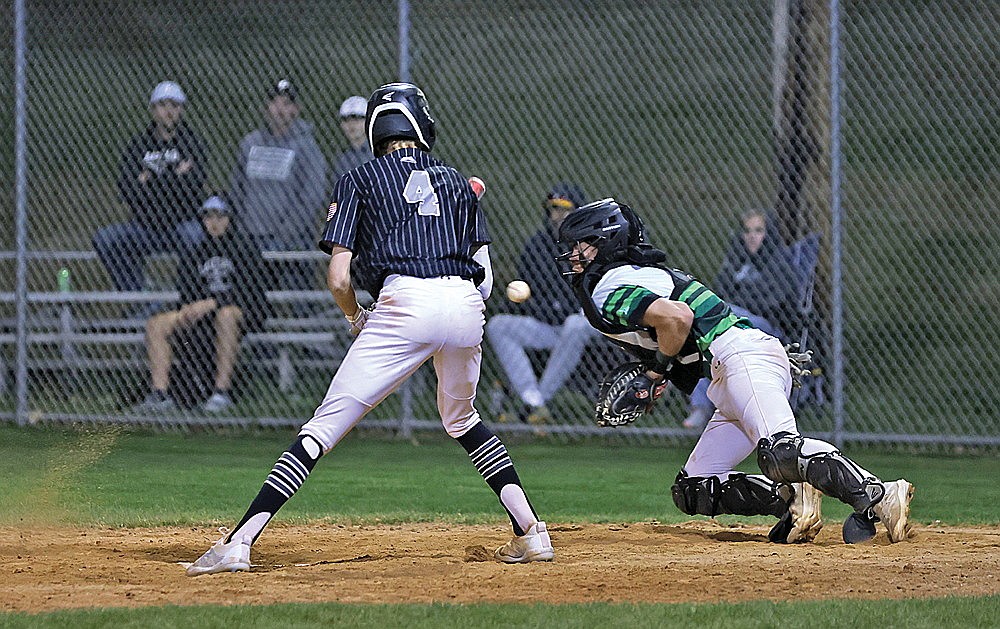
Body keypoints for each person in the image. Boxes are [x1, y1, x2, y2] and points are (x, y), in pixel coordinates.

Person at [186, 82, 553, 576]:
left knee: (323, 426)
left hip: (403, 302)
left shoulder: (360, 178)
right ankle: (532, 533)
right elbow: (484, 281)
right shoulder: (459, 183)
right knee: (462, 420)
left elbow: (339, 278)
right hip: (465, 305)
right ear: (422, 124)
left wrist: (357, 318)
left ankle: (240, 541)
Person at [557, 198, 914, 545]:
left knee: (781, 450)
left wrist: (656, 373)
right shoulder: (630, 275)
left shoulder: (608, 286)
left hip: (740, 357)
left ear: (608, 244)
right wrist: (661, 369)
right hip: (729, 371)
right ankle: (793, 499)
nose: (574, 255)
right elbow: (675, 329)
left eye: (583, 246)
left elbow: (677, 318)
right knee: (694, 488)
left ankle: (880, 493)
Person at [132, 195, 269, 414]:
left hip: (240, 312)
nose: (214, 222)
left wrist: (213, 302)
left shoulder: (245, 249)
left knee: (226, 315)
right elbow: (186, 290)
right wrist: (188, 308)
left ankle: (221, 392)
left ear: (230, 218)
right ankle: (160, 393)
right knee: (156, 324)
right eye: (208, 216)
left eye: (220, 216)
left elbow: (250, 292)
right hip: (202, 311)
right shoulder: (196, 252)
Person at [485, 183, 601, 423]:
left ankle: (538, 402)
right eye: (554, 209)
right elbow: (528, 295)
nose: (557, 215)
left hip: (584, 325)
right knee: (498, 325)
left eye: (565, 209)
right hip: (549, 325)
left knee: (575, 324)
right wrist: (539, 307)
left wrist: (559, 308)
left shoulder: (589, 245)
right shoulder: (537, 245)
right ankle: (533, 401)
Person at [684, 209, 798, 429]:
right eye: (747, 231)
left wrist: (741, 298)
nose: (752, 236)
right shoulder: (736, 262)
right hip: (730, 325)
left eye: (758, 230)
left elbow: (775, 301)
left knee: (717, 317)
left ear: (768, 234)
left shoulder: (779, 264)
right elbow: (718, 293)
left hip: (765, 327)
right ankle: (700, 406)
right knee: (701, 340)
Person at [92, 80, 207, 296]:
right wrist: (175, 177)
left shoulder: (193, 143)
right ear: (153, 110)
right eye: (163, 105)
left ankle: (184, 296)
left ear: (181, 109)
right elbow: (127, 190)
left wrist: (149, 180)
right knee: (105, 239)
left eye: (174, 106)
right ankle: (140, 297)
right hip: (144, 227)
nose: (169, 111)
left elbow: (193, 187)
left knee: (197, 237)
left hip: (181, 225)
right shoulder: (138, 145)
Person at [228, 78, 328, 292]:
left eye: (287, 104)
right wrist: (242, 227)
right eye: (275, 103)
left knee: (296, 294)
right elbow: (237, 189)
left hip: (292, 237)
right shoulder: (250, 143)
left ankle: (299, 323)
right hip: (251, 236)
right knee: (251, 295)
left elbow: (313, 195)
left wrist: (285, 233)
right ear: (266, 108)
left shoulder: (307, 146)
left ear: (296, 109)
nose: (280, 109)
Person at [330, 95, 374, 182]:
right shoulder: (342, 159)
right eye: (346, 119)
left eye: (356, 118)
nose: (351, 124)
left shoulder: (379, 153)